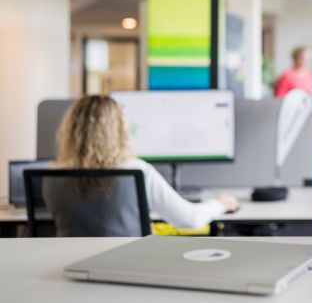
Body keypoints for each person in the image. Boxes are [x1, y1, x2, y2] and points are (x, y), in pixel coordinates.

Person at [53, 95, 239, 229]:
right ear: (119, 129)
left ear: (71, 130)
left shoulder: (52, 176)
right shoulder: (136, 171)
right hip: (129, 269)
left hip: (71, 270)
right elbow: (190, 219)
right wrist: (220, 203)